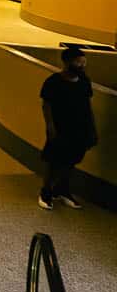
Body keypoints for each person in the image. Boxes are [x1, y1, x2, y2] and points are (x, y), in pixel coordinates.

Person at [38, 47, 99, 209]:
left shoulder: (84, 82)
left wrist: (91, 128)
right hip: (60, 127)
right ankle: (46, 192)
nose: (81, 65)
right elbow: (46, 105)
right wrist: (50, 126)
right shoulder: (53, 82)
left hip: (79, 128)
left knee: (72, 160)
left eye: (83, 62)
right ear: (66, 62)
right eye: (78, 62)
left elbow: (87, 105)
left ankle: (62, 190)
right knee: (53, 159)